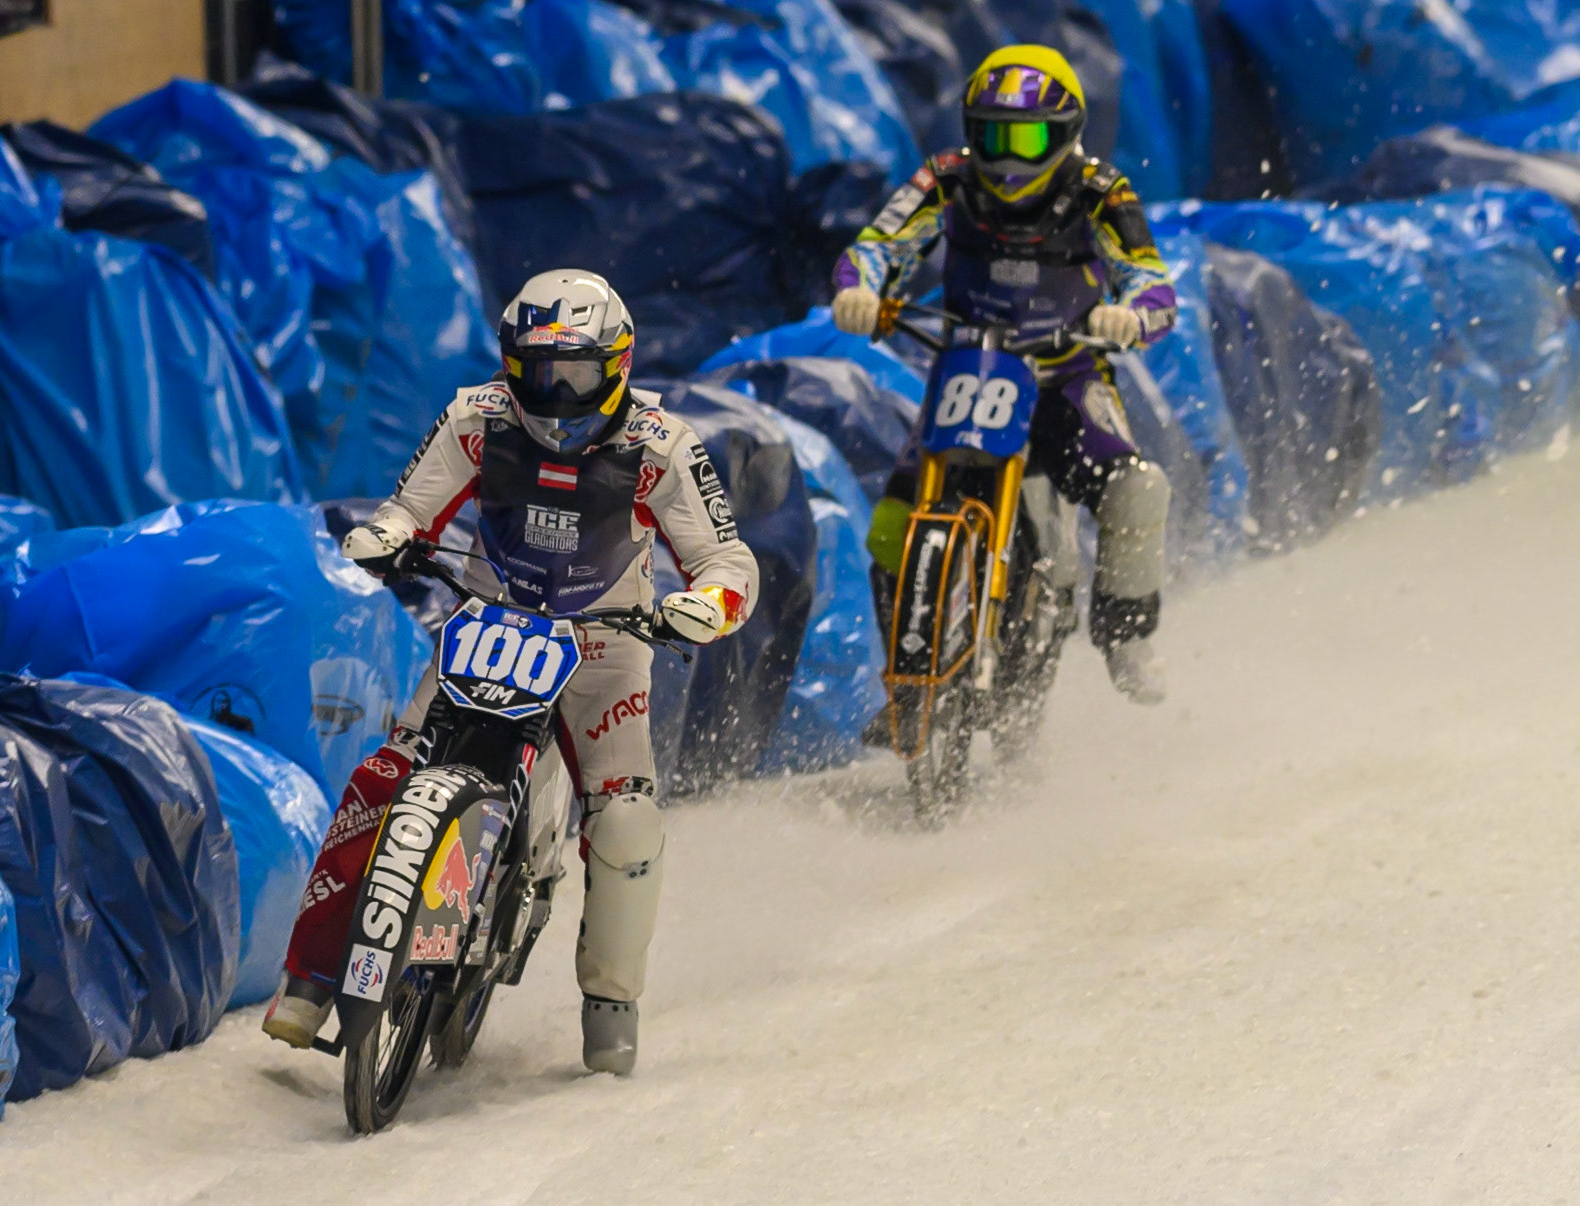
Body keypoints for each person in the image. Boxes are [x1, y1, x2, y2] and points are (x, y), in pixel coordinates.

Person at [264, 270, 759, 1075]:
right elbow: (408, 506)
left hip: (604, 645)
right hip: (488, 622)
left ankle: (610, 1007)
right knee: (382, 778)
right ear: (509, 364)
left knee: (627, 822)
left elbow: (725, 557)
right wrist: (388, 535)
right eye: (538, 371)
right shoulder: (476, 416)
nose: (556, 394)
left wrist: (710, 603)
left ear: (618, 365)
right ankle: (310, 979)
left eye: (577, 374)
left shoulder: (662, 445)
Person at [832, 44, 1177, 704]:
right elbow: (878, 245)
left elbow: (1150, 279)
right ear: (970, 132)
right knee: (890, 526)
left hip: (1066, 374)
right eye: (994, 137)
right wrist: (859, 290)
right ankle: (904, 687)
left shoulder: (1102, 190)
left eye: (1027, 139)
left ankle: (1126, 638)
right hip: (968, 364)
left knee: (1136, 489)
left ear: (1066, 132)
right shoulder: (944, 178)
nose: (1008, 159)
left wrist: (1131, 316)